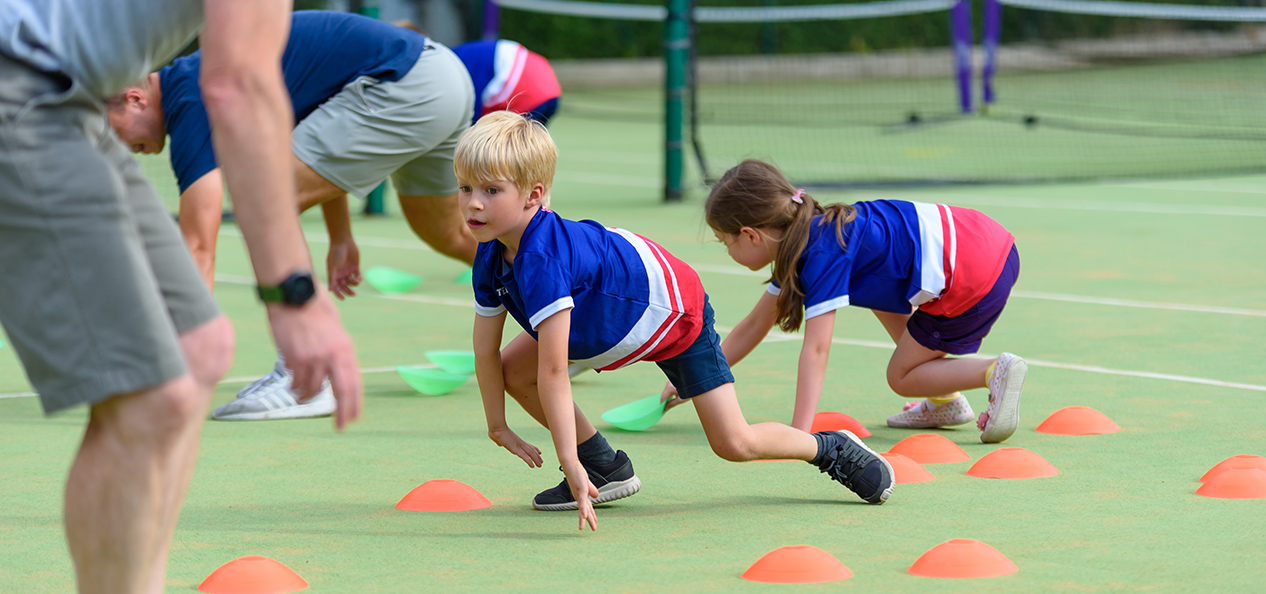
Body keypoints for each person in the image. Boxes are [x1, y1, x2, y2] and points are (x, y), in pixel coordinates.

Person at [0, 1, 362, 592]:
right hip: (21, 86)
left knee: (199, 349)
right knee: (150, 394)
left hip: (69, 100)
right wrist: (292, 293)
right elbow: (238, 84)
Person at [459, 112, 894, 531]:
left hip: (677, 314)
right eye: (464, 188)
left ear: (533, 196)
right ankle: (604, 466)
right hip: (607, 320)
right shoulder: (491, 253)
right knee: (512, 370)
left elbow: (554, 370)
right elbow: (484, 350)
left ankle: (828, 448)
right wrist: (497, 426)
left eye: (491, 191)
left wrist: (567, 458)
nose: (473, 203)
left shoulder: (544, 258)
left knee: (734, 444)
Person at [107, 10, 477, 421]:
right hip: (444, 75)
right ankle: (559, 322)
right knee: (449, 234)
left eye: (111, 129)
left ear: (135, 98)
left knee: (262, 204)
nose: (118, 144)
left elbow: (199, 249)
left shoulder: (190, 96)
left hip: (403, 84)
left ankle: (304, 380)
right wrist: (340, 236)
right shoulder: (202, 78)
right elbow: (316, 126)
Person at [690, 159, 1027, 443]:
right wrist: (691, 379)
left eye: (725, 242)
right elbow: (754, 325)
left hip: (975, 273)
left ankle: (992, 370)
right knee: (878, 294)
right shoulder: (811, 235)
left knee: (901, 376)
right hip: (988, 242)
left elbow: (817, 350)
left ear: (750, 234)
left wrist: (799, 434)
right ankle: (946, 401)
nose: (727, 250)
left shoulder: (821, 253)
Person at [451, 39, 561, 125]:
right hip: (551, 88)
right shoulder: (458, 54)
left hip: (523, 88)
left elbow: (469, 113)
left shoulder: (452, 66)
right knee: (533, 147)